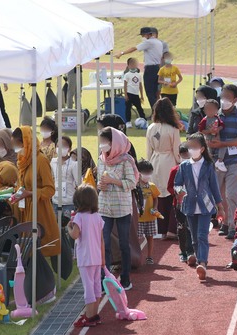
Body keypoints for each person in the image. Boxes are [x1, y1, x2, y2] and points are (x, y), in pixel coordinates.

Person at [174, 133, 225, 281]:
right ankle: (198, 259)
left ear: (202, 149)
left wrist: (220, 206)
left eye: (195, 147)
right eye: (190, 147)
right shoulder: (184, 166)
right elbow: (177, 184)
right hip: (189, 205)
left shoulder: (209, 165)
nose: (192, 149)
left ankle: (202, 262)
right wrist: (179, 191)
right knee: (195, 237)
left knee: (202, 235)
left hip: (206, 205)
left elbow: (214, 187)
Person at [98, 127, 139, 290]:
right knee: (105, 243)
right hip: (104, 207)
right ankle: (105, 279)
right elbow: (99, 181)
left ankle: (126, 278)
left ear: (113, 142)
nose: (102, 145)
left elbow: (132, 183)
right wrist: (101, 185)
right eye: (101, 142)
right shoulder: (102, 159)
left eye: (105, 142)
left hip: (121, 207)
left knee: (123, 244)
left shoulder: (126, 160)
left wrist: (113, 181)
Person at [11, 126, 60, 257]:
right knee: (26, 251)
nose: (16, 148)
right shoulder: (23, 160)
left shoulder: (41, 160)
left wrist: (30, 193)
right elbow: (22, 185)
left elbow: (50, 189)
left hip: (39, 210)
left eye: (17, 144)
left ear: (25, 142)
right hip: (25, 209)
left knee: (38, 250)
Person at [208, 84, 237, 238]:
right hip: (217, 161)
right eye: (222, 96)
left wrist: (223, 144)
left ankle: (233, 226)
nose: (224, 99)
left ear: (235, 99)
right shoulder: (215, 114)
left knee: (232, 194)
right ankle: (225, 222)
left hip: (235, 161)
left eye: (227, 96)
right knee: (220, 195)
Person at [68, 184, 105, 328]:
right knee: (96, 286)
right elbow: (102, 240)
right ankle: (94, 314)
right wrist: (103, 259)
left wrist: (69, 228)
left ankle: (89, 317)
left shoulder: (79, 217)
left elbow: (75, 234)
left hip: (85, 258)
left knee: (88, 287)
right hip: (96, 257)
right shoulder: (97, 217)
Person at [146, 98, 182, 239]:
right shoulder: (173, 128)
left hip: (155, 161)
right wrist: (180, 163)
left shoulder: (151, 128)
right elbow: (176, 149)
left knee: (158, 196)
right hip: (169, 161)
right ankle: (171, 229)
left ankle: (161, 230)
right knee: (171, 195)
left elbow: (149, 150)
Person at [115, 27, 164, 111]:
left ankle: (155, 112)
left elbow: (134, 48)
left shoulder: (149, 42)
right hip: (157, 67)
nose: (143, 37)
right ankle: (158, 111)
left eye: (143, 35)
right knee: (156, 92)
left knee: (150, 92)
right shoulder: (159, 42)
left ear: (148, 34)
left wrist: (121, 53)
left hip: (150, 69)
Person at [168, 143, 194, 263]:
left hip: (191, 203)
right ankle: (183, 251)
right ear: (179, 155)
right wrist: (177, 194)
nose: (186, 157)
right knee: (182, 227)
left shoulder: (194, 168)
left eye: (187, 155)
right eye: (183, 155)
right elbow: (169, 187)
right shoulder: (175, 170)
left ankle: (191, 251)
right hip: (178, 204)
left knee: (191, 227)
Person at [136, 160, 161, 264]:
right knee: (137, 238)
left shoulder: (152, 186)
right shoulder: (135, 186)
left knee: (150, 237)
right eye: (145, 173)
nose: (147, 175)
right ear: (139, 172)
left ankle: (149, 256)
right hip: (138, 218)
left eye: (149, 173)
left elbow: (156, 198)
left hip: (150, 217)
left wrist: (155, 208)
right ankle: (137, 256)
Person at [51, 136, 81, 221]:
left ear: (69, 148)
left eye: (63, 146)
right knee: (56, 228)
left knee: (67, 228)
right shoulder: (53, 162)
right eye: (58, 146)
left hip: (69, 202)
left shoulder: (74, 164)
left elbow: (79, 183)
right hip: (55, 201)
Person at [198, 100, 226, 171]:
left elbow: (222, 125)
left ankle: (220, 161)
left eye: (212, 109)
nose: (210, 111)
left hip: (217, 137)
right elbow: (201, 130)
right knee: (209, 151)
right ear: (204, 110)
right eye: (207, 109)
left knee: (223, 147)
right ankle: (209, 164)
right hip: (208, 138)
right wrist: (209, 131)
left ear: (217, 110)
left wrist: (218, 129)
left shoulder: (217, 118)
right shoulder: (204, 120)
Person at [123, 57, 147, 126]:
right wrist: (126, 95)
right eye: (131, 64)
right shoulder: (127, 75)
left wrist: (142, 95)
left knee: (139, 108)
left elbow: (140, 85)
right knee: (128, 108)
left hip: (136, 94)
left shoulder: (139, 75)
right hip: (129, 93)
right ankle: (128, 122)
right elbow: (125, 85)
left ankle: (144, 119)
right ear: (128, 65)